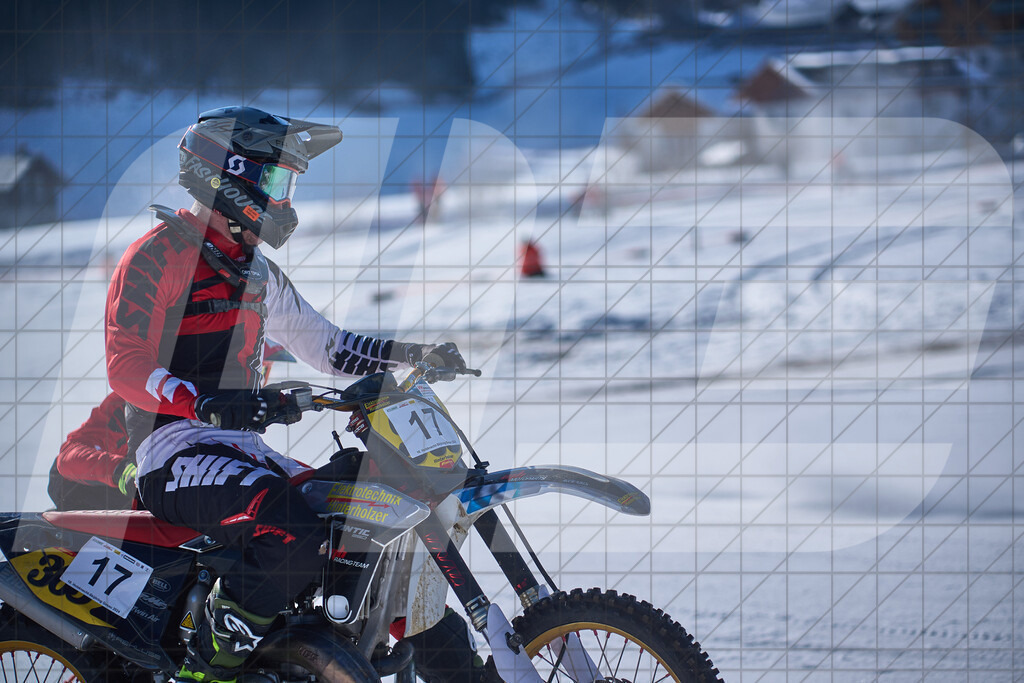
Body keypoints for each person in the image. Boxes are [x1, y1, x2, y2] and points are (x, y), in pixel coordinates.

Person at [105, 106, 468, 683]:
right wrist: (197, 401)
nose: (285, 195)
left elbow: (330, 347)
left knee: (356, 514)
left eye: (288, 183)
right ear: (227, 176)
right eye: (277, 179)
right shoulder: (159, 255)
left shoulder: (257, 274)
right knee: (290, 527)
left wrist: (411, 355)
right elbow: (125, 365)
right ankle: (207, 670)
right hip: (171, 451)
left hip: (238, 450)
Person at [48, 344, 297, 512]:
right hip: (91, 491)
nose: (257, 379)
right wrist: (121, 472)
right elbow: (68, 457)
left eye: (263, 371)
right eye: (256, 369)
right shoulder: (139, 399)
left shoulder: (227, 410)